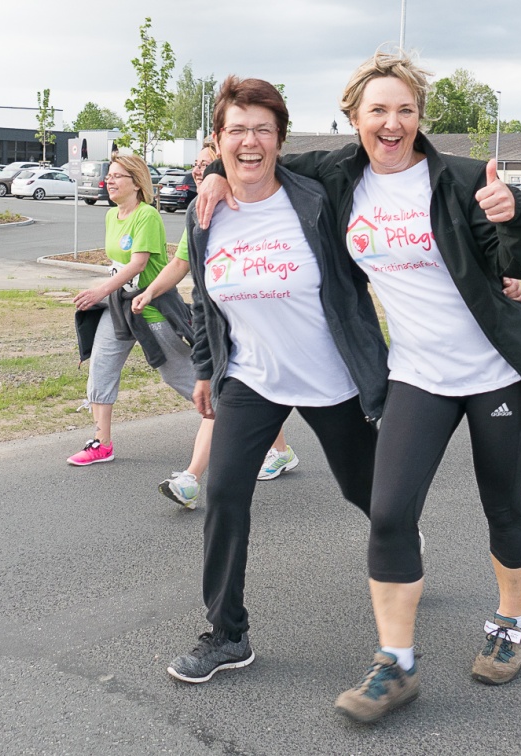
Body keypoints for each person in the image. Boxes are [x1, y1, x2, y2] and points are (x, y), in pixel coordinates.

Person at [197, 52, 521, 722]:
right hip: (417, 373)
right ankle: (396, 663)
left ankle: (510, 624)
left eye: (404, 110)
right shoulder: (335, 177)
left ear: (420, 118)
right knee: (388, 514)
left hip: (494, 370)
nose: (391, 123)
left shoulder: (461, 177)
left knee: (502, 504)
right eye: (377, 111)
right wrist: (217, 173)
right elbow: (258, 160)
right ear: (354, 119)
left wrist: (512, 215)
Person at [165, 76, 391, 683]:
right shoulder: (204, 211)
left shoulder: (313, 197)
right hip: (251, 378)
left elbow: (378, 151)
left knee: (366, 492)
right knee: (225, 497)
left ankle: (401, 547)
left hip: (331, 377)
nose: (249, 142)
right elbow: (204, 298)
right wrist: (210, 369)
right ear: (217, 140)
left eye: (262, 130)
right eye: (236, 130)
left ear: (280, 140)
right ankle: (227, 634)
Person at [133, 144, 300, 503]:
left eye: (207, 165)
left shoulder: (256, 209)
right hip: (224, 328)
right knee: (240, 393)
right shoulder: (200, 213)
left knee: (245, 394)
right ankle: (201, 477)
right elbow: (180, 265)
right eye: (196, 164)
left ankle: (194, 477)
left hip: (265, 325)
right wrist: (149, 292)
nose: (198, 171)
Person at [70, 157, 208, 514]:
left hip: (151, 308)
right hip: (120, 307)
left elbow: (139, 264)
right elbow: (119, 265)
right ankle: (102, 443)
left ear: (136, 181)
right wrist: (106, 294)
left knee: (179, 374)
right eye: (109, 176)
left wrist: (99, 291)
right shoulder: (110, 215)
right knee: (101, 365)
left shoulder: (147, 215)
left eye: (117, 176)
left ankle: (228, 420)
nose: (109, 181)